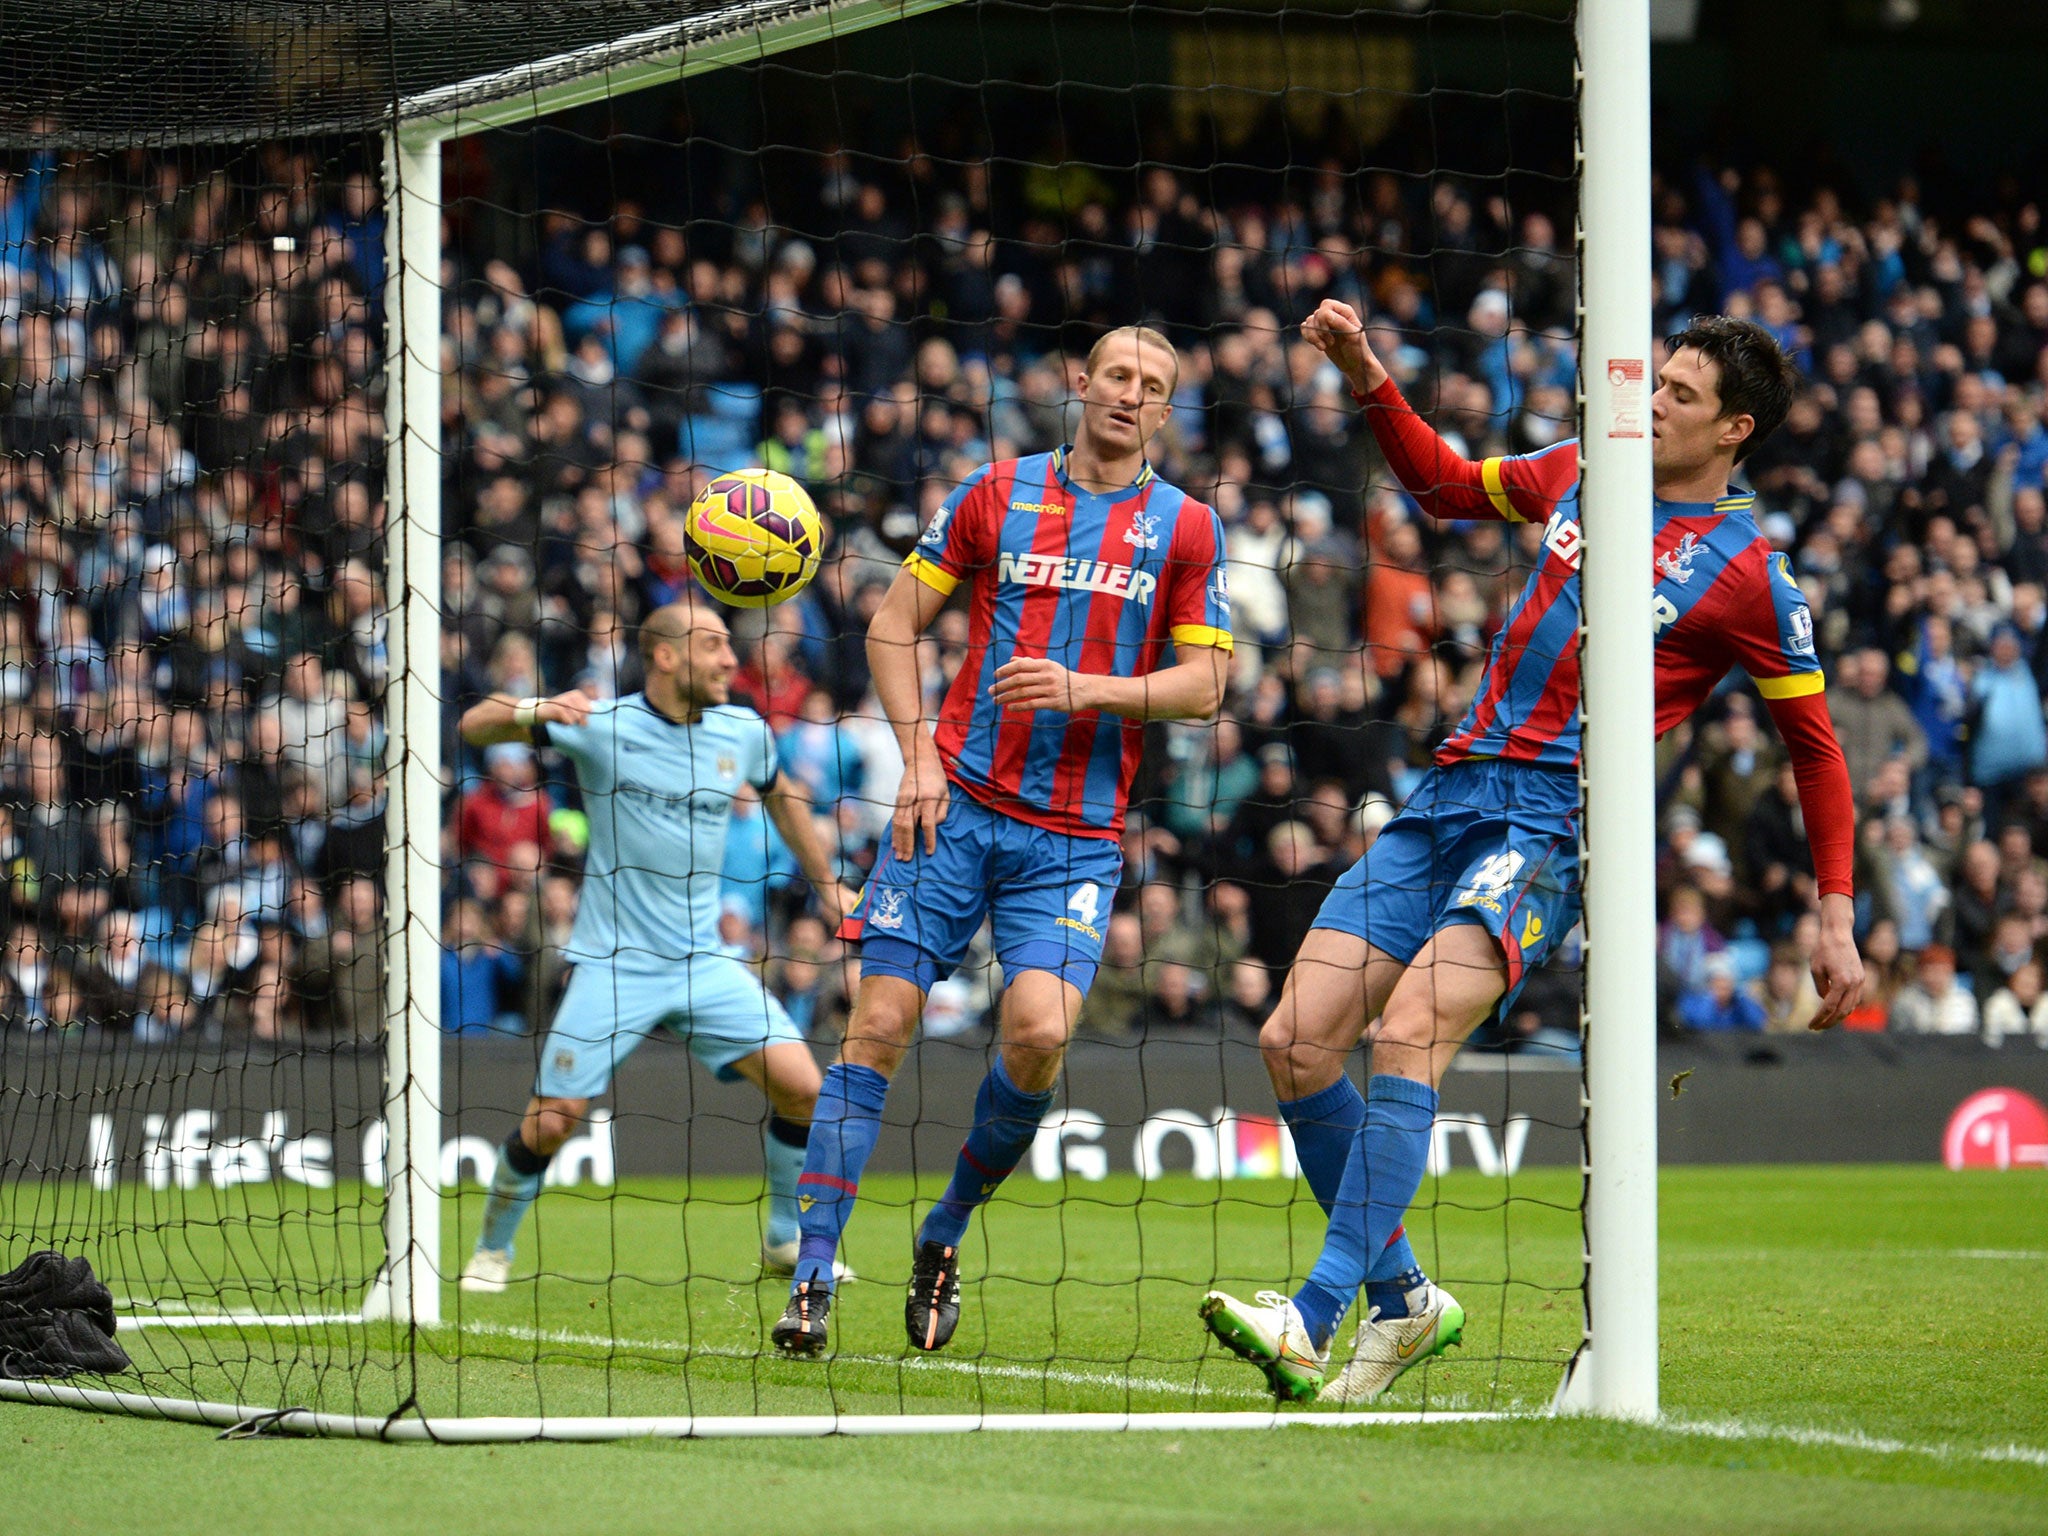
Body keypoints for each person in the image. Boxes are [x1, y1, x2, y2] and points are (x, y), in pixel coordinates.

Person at [1201, 303, 1865, 1405]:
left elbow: (1816, 750)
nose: (1651, 403)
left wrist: (1833, 912)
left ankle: (1309, 1318)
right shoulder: (1583, 468)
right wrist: (1369, 371)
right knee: (1293, 1041)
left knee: (1408, 1029)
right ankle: (1405, 1303)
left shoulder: (1750, 577)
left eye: (1680, 397)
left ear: (1733, 430)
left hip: (1551, 824)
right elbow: (1448, 489)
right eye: (1655, 382)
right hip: (1447, 791)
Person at [772, 325, 1231, 1356]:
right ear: (1080, 383)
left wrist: (1089, 688)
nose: (1128, 394)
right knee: (877, 1023)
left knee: (1034, 1034)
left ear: (1165, 412)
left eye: (1151, 386)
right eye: (1115, 375)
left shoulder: (1187, 529)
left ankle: (942, 1236)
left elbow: (1207, 686)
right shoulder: (994, 492)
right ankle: (809, 1279)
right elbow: (893, 625)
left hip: (1072, 838)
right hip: (955, 804)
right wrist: (917, 759)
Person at [456, 601, 858, 1292]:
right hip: (616, 966)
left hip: (704, 962)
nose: (733, 659)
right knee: (553, 1124)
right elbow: (473, 723)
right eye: (714, 646)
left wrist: (828, 887)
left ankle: (785, 1239)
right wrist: (539, 708)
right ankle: (493, 1247)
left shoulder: (745, 731)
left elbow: (781, 796)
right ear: (666, 656)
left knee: (805, 1090)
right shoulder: (604, 727)